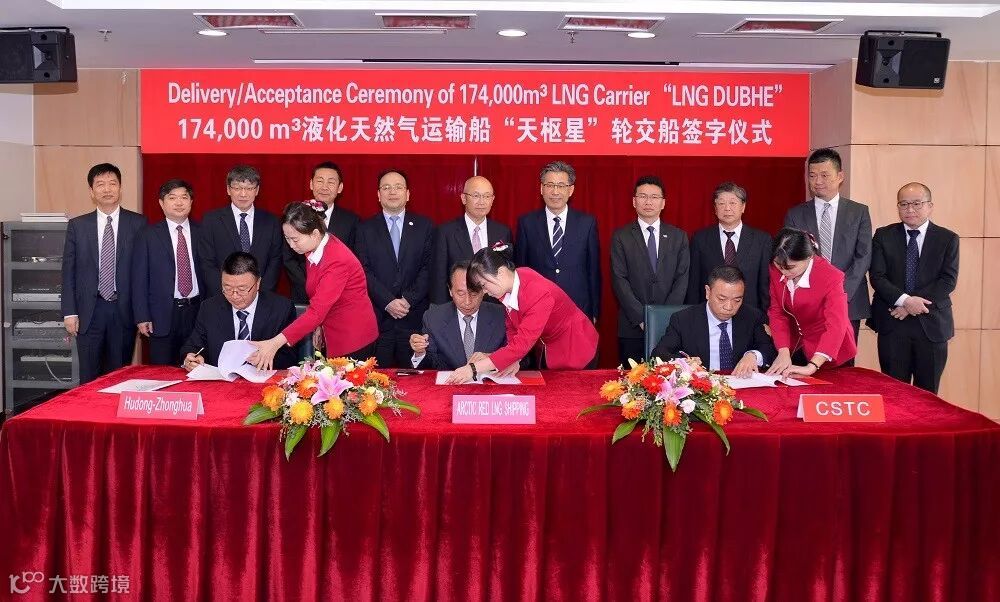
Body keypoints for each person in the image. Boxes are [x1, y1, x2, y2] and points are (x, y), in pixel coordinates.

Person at [250, 202, 378, 370]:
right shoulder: (315, 248)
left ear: (315, 233)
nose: (291, 245)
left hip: (353, 336)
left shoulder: (336, 261)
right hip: (333, 330)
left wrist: (275, 343)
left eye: (295, 239)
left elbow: (316, 311)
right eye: (287, 238)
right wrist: (319, 325)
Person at [445, 245, 598, 383]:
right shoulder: (513, 282)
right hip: (551, 348)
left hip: (576, 347)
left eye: (484, 285)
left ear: (501, 272)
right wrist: (513, 359)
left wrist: (472, 369)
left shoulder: (538, 293)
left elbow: (521, 344)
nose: (484, 292)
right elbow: (513, 327)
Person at [869, 182, 958, 394]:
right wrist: (905, 301)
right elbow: (877, 276)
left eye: (917, 204)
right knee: (893, 393)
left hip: (931, 324)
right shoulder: (883, 235)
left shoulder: (947, 238)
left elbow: (948, 280)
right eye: (904, 204)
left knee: (927, 394)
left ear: (930, 206)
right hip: (893, 322)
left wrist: (910, 304)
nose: (910, 209)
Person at [61, 163, 145, 383]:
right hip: (88, 312)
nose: (107, 189)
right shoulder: (78, 226)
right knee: (89, 377)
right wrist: (69, 312)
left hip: (123, 311)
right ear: (91, 191)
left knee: (119, 377)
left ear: (120, 188)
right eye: (100, 184)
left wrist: (142, 313)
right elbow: (68, 271)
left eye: (112, 183)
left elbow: (143, 272)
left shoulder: (138, 223)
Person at [783, 148, 872, 342]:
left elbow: (863, 256)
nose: (817, 181)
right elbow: (791, 256)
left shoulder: (858, 212)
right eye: (812, 175)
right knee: (809, 358)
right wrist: (815, 293)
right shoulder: (795, 214)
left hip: (848, 300)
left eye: (824, 175)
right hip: (808, 302)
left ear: (840, 176)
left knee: (844, 358)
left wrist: (840, 292)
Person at [355, 169, 435, 367]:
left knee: (416, 378)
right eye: (386, 187)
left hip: (414, 318)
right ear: (378, 194)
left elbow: (429, 268)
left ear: (407, 194)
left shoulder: (425, 226)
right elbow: (362, 270)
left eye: (398, 187)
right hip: (378, 319)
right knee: (377, 378)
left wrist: (408, 299)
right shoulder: (364, 229)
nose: (392, 192)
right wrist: (388, 301)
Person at [610, 175, 689, 365]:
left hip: (670, 327)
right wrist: (642, 318)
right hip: (633, 326)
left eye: (654, 197)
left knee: (669, 378)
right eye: (643, 196)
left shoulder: (678, 236)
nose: (648, 202)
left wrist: (665, 318)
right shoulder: (621, 236)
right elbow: (619, 280)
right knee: (631, 380)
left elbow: (682, 279)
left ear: (663, 203)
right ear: (634, 201)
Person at [514, 160, 601, 322]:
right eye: (550, 185)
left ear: (571, 190)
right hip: (537, 308)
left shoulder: (587, 223)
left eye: (561, 186)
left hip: (578, 308)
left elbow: (593, 270)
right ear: (541, 188)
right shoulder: (527, 223)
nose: (555, 191)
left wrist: (594, 311)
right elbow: (521, 271)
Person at [180, 252, 298, 371]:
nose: (234, 296)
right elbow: (192, 346)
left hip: (262, 379)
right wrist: (190, 357)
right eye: (227, 288)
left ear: (257, 284)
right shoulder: (209, 308)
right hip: (221, 380)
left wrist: (262, 359)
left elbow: (290, 357)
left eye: (242, 289)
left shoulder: (281, 308)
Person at [131, 179, 206, 366]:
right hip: (161, 314)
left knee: (195, 369)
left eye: (184, 197)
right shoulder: (147, 235)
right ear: (161, 203)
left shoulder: (204, 232)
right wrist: (142, 315)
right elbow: (139, 279)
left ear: (191, 202)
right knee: (162, 371)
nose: (179, 202)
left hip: (197, 311)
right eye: (172, 198)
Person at [652, 266, 776, 377]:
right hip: (703, 386)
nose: (729, 307)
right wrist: (684, 363)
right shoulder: (684, 319)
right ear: (708, 292)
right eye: (722, 299)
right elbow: (659, 354)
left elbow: (770, 349)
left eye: (737, 300)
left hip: (740, 384)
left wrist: (754, 355)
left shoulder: (752, 317)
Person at [765, 228, 856, 378]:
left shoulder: (831, 277)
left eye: (791, 267)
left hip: (831, 351)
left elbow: (836, 324)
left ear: (809, 257)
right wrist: (783, 351)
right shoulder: (776, 269)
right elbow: (777, 312)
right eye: (779, 266)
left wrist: (812, 366)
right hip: (798, 347)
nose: (784, 272)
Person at [198, 165, 283, 297]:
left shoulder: (271, 221)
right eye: (237, 188)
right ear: (228, 189)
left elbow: (275, 260)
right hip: (222, 297)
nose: (243, 194)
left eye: (249, 188)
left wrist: (259, 293)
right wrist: (228, 292)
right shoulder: (211, 220)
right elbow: (207, 262)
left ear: (257, 190)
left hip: (261, 296)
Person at [283, 161, 361, 304]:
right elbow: (288, 257)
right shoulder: (294, 215)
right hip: (302, 295)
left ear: (340, 188)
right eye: (320, 181)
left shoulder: (352, 221)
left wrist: (328, 287)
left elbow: (353, 259)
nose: (324, 187)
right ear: (311, 184)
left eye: (331, 182)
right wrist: (309, 285)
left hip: (338, 296)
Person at [687, 182, 771, 313]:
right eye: (721, 203)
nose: (727, 208)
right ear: (715, 209)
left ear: (743, 206)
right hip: (710, 313)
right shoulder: (700, 239)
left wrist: (765, 317)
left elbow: (765, 284)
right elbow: (694, 283)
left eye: (732, 203)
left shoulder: (761, 240)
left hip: (750, 313)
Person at [430, 175, 512, 304]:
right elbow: (438, 278)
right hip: (458, 305)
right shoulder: (445, 232)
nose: (481, 201)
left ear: (492, 200)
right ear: (463, 198)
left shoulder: (502, 232)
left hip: (494, 306)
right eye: (476, 195)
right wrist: (441, 311)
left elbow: (508, 274)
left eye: (487, 196)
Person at [409, 261, 507, 369]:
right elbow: (430, 365)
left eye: (474, 293)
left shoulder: (501, 315)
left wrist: (493, 358)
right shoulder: (433, 318)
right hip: (450, 379)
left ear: (484, 290)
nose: (467, 302)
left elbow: (519, 360)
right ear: (450, 291)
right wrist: (420, 353)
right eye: (461, 294)